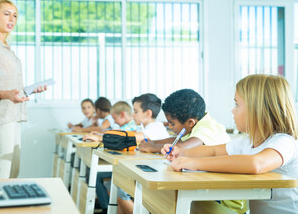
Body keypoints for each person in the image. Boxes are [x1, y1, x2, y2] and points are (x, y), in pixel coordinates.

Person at [163, 75, 298, 214]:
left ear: (258, 109)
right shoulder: (248, 141)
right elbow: (214, 151)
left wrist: (194, 163)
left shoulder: (285, 141)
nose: (232, 111)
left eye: (237, 104)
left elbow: (256, 164)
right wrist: (181, 152)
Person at [0, 0, 46, 179]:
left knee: (13, 173)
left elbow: (8, 86)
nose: (11, 19)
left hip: (12, 117)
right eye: (6, 14)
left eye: (14, 15)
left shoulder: (6, 48)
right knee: (0, 174)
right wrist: (8, 94)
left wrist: (28, 90)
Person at [84, 101, 137, 214]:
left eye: (115, 118)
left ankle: (106, 208)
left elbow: (117, 137)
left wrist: (100, 137)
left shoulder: (130, 128)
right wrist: (99, 136)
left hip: (127, 167)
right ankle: (107, 208)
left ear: (122, 114)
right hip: (122, 165)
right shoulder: (124, 127)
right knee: (103, 179)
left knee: (102, 178)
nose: (115, 121)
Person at [139, 89, 230, 153]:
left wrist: (152, 147)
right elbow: (177, 141)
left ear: (190, 122)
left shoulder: (207, 128)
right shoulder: (196, 124)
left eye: (172, 124)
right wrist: (154, 142)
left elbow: (182, 147)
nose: (170, 127)